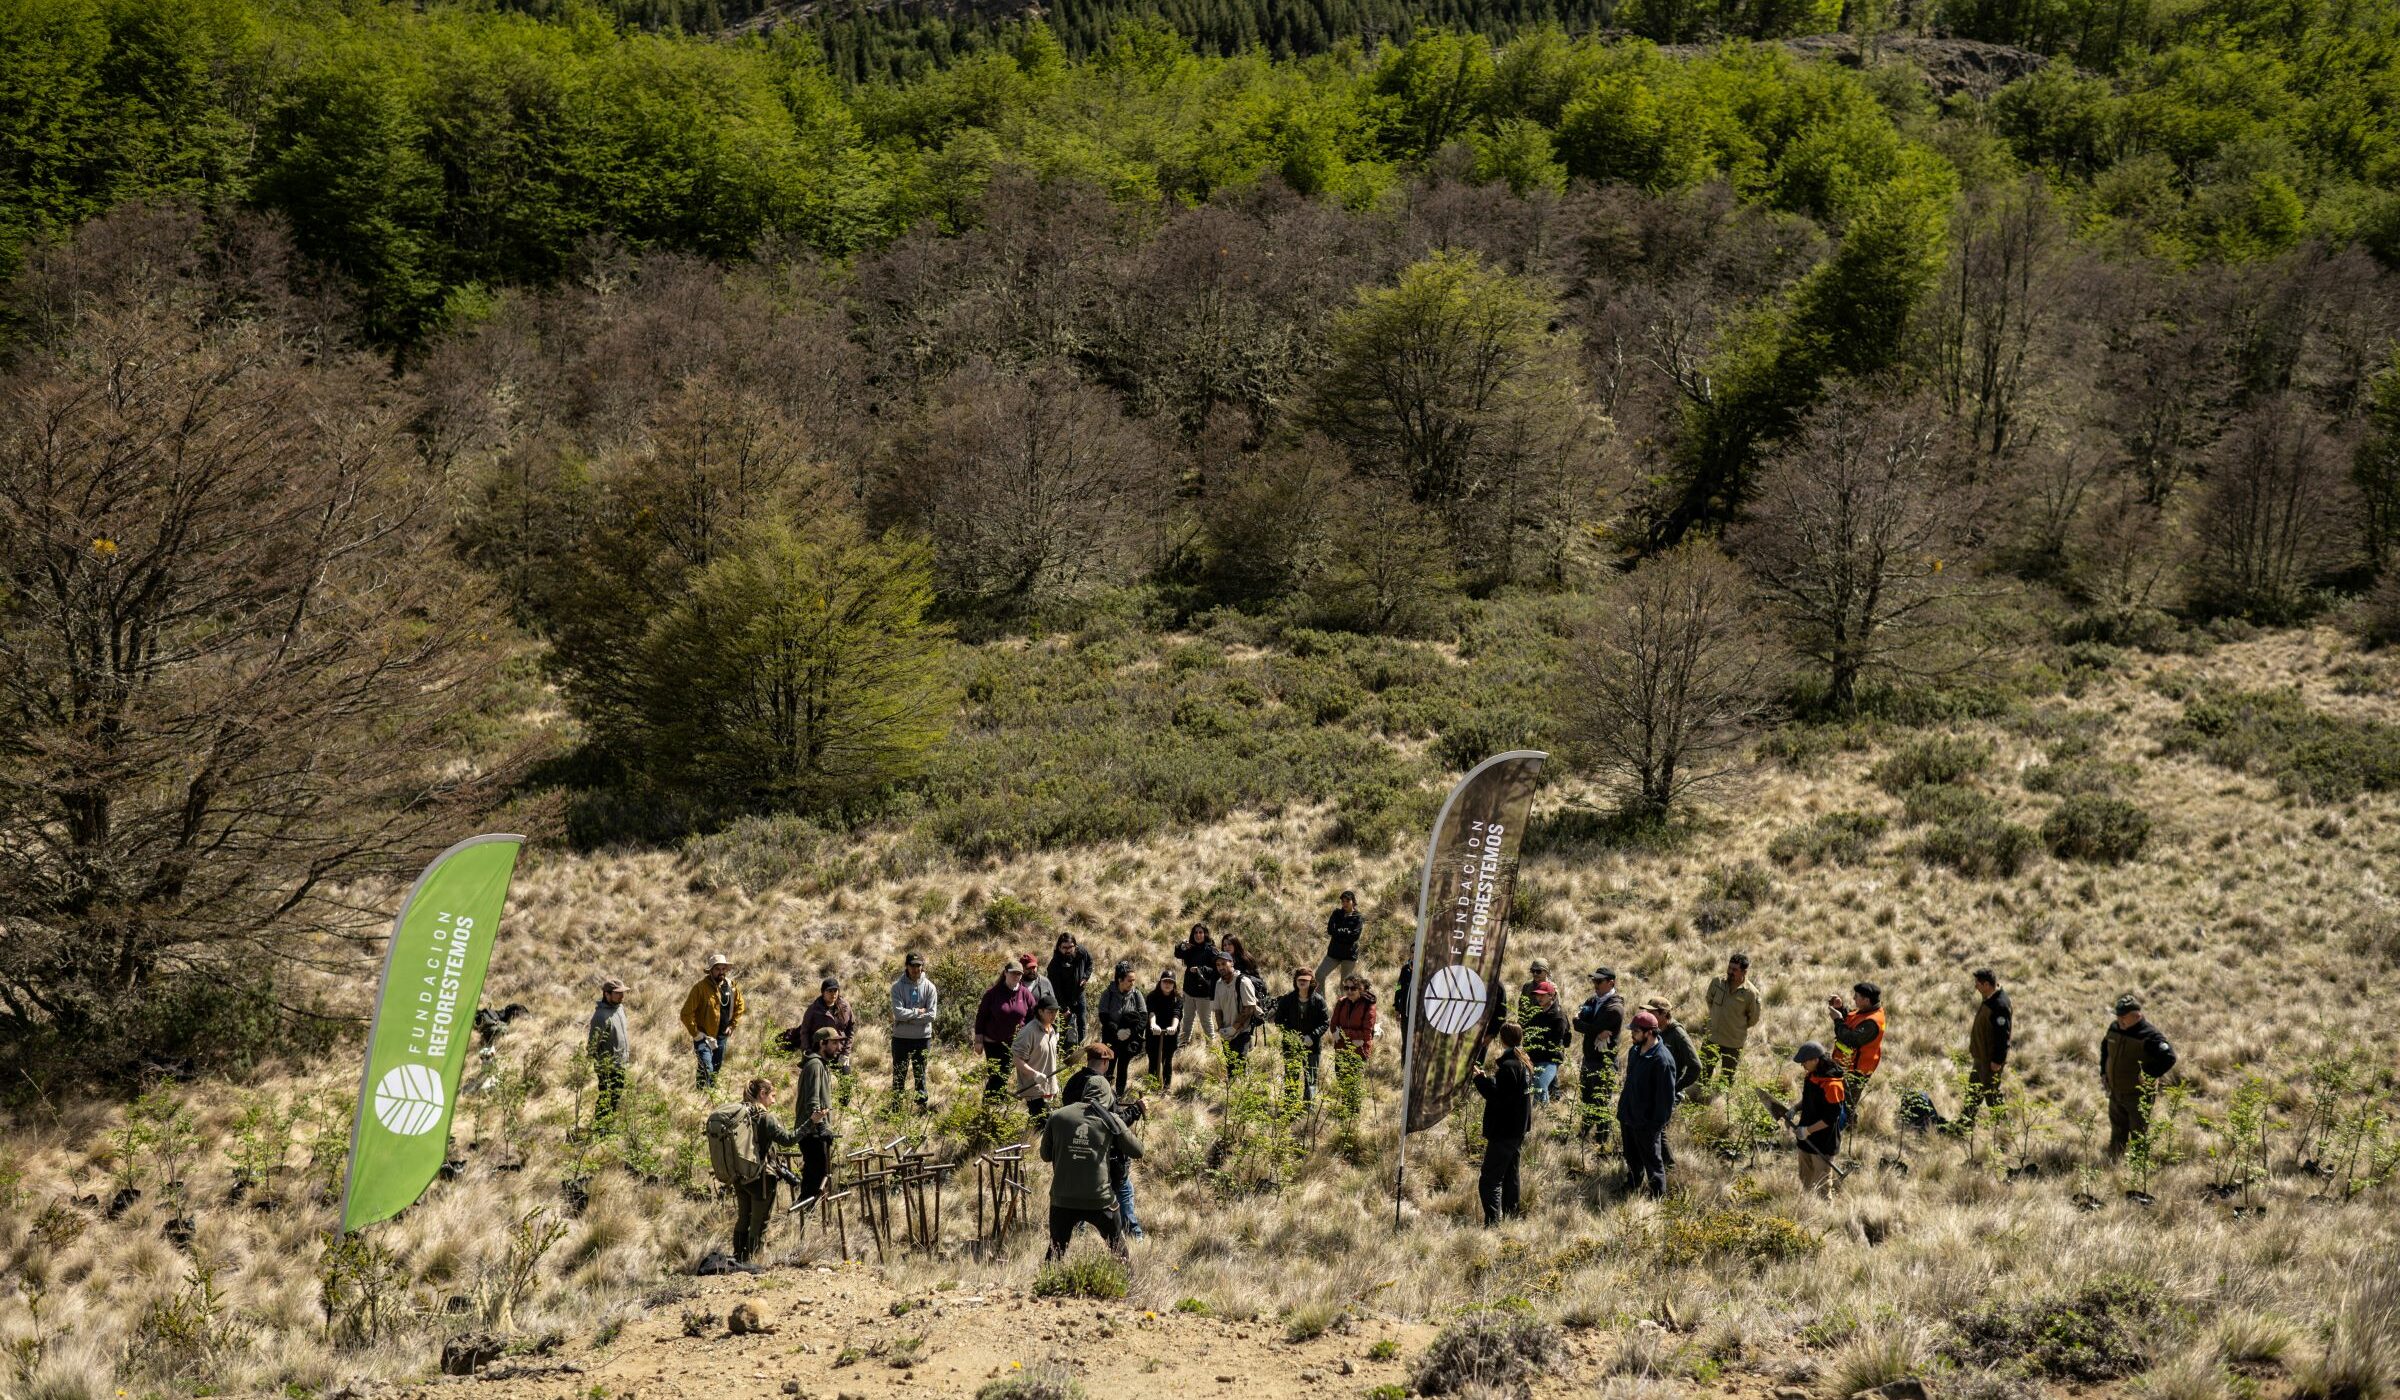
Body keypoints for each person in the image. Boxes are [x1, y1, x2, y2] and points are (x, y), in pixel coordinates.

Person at [1040, 1075, 1143, 1264]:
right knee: (1119, 1252)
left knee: (1055, 1252)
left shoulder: (1058, 1116)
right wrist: (1116, 1128)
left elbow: (1045, 1155)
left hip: (1062, 1198)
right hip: (1100, 1199)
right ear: (1107, 1097)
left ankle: (1045, 1288)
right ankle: (1125, 1284)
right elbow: (1138, 1151)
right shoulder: (1110, 1119)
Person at [1061, 1045, 1147, 1240]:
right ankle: (1134, 1234)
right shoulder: (1102, 1088)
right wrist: (1136, 1110)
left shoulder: (1073, 1082)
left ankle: (1078, 1236)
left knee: (1078, 1195)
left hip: (1074, 1151)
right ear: (1106, 1062)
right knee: (1124, 1191)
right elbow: (1112, 1125)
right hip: (1104, 1155)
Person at [728, 1077, 806, 1265]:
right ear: (762, 1094)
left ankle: (738, 1257)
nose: (774, 1100)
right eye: (772, 1096)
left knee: (743, 1218)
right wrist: (811, 1122)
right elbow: (788, 1140)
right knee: (759, 1222)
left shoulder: (739, 1116)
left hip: (741, 1175)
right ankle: (753, 1262)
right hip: (761, 1178)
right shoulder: (766, 1118)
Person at [1470, 1022, 1533, 1226]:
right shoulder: (1524, 1063)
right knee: (1510, 1173)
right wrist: (1488, 1080)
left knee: (1490, 1178)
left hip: (1504, 1131)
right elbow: (1509, 1095)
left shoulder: (1508, 1067)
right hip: (1518, 1129)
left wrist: (1480, 1080)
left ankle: (1493, 1223)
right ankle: (1511, 1216)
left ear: (1502, 1040)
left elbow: (1497, 1097)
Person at [2100, 994, 2177, 1159]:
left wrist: (2149, 1074)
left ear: (2137, 1015)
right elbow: (2105, 1049)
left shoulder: (2149, 1036)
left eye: (2124, 1016)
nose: (2120, 1020)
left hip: (2138, 1096)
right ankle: (2113, 1163)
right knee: (2117, 1131)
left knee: (2138, 1135)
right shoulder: (2114, 1028)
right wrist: (2103, 1072)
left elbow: (2169, 1057)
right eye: (2118, 1016)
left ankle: (2137, 1170)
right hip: (2115, 1092)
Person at [1618, 1011, 1676, 1197]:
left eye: (1635, 1031)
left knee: (1653, 1161)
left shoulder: (1662, 1061)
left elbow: (1665, 1100)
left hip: (1647, 1123)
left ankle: (1657, 1195)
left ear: (1649, 1032)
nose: (1632, 1034)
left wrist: (1655, 1125)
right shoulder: (1635, 1051)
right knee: (1631, 1156)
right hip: (1628, 1116)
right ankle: (1633, 1184)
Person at [1572, 969, 1624, 1146]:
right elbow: (1579, 1023)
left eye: (1599, 982)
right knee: (1586, 1099)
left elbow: (1586, 1024)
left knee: (1601, 1101)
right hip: (1589, 1058)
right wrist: (1584, 1024)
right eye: (1594, 981)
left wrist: (1584, 1023)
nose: (1595, 985)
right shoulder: (1593, 1000)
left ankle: (1602, 1142)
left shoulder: (1615, 1008)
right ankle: (1584, 1134)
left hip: (1604, 1063)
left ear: (1611, 983)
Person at [680, 954, 745, 1090]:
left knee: (715, 1068)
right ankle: (704, 1094)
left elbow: (740, 1005)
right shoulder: (700, 988)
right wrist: (696, 1033)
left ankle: (705, 1096)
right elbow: (686, 1013)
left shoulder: (731, 986)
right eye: (717, 969)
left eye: (723, 969)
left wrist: (732, 1025)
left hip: (722, 1036)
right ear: (710, 971)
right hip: (704, 1036)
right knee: (706, 1067)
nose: (721, 972)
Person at [974, 962, 1038, 1101]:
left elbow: (1033, 1017)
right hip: (993, 1042)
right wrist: (978, 1040)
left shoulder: (1025, 994)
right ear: (1005, 973)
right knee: (997, 1074)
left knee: (1004, 1074)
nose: (1016, 976)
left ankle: (993, 1106)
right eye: (1013, 973)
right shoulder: (992, 993)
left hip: (1016, 1043)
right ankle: (991, 1105)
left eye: (1019, 974)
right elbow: (981, 1017)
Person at [1790, 1042, 1847, 1196]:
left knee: (1822, 1186)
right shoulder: (1811, 1076)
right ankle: (1809, 1209)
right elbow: (1808, 1101)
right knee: (1805, 1179)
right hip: (1805, 1140)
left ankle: (1825, 1215)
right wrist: (1794, 1109)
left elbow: (1830, 1118)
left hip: (1823, 1142)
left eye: (1804, 1061)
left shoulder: (1832, 1085)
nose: (1802, 1065)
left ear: (1815, 1060)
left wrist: (1807, 1130)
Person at [1700, 953, 1762, 1090]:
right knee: (1702, 1074)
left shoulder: (1751, 993)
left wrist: (1736, 1026)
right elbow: (1709, 1000)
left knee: (1725, 1080)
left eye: (1734, 970)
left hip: (1733, 1043)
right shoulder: (1717, 982)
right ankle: (1697, 1100)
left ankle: (1719, 1106)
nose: (1730, 972)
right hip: (1712, 1038)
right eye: (1729, 967)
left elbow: (1753, 1018)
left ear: (1744, 972)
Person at [1960, 968, 2013, 1127]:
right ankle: (1964, 1126)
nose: (1975, 986)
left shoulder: (1999, 1005)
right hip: (1981, 1059)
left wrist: (1997, 1060)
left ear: (1987, 984)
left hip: (1990, 1062)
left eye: (1978, 983)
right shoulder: (1991, 997)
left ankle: (2004, 1131)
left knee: (1992, 1095)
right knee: (1973, 1092)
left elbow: (2003, 1036)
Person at [794, 1027, 840, 1204]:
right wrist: (821, 1128)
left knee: (817, 1177)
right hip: (812, 1132)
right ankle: (803, 1215)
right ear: (822, 1043)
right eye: (834, 1043)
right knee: (815, 1180)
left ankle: (807, 1216)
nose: (838, 1047)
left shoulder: (820, 1064)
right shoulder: (814, 1065)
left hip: (815, 1131)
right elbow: (812, 1101)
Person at [1272, 968, 1330, 1103]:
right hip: (1291, 1045)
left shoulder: (1319, 1000)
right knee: (1291, 1076)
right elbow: (1279, 1021)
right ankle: (1290, 1106)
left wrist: (1312, 1036)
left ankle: (1308, 1108)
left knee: (1311, 1078)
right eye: (1300, 979)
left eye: (1306, 980)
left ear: (1312, 982)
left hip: (1312, 1046)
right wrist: (1293, 1036)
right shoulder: (1287, 999)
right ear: (1295, 981)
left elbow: (1325, 1022)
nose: (1302, 982)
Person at [889, 953, 939, 1111]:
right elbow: (898, 1013)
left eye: (919, 965)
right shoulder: (897, 987)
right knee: (899, 1073)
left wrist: (908, 1016)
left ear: (922, 966)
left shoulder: (930, 987)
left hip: (922, 1038)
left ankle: (921, 1107)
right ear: (907, 966)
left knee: (920, 1073)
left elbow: (931, 1015)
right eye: (913, 965)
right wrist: (918, 1013)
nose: (916, 969)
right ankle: (896, 1108)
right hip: (900, 1038)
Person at [795, 977, 856, 1096]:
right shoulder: (814, 1009)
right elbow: (805, 1031)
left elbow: (850, 1029)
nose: (833, 994)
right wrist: (807, 1051)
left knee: (847, 1085)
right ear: (823, 992)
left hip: (839, 1051)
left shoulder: (845, 1007)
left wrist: (846, 1053)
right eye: (829, 991)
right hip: (820, 1051)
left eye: (835, 990)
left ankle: (842, 1112)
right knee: (816, 1085)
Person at [1829, 982, 1887, 1104]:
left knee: (1847, 1104)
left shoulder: (1872, 1023)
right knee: (1837, 1099)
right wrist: (1841, 1008)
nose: (1853, 998)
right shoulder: (1866, 1011)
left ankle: (1848, 1123)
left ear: (1866, 1000)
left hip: (1856, 1072)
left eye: (1856, 996)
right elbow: (1853, 1020)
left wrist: (1838, 1020)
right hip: (1847, 1065)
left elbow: (1850, 1040)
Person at [1096, 961, 1146, 1096]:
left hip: (1129, 1040)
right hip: (1111, 1038)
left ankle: (1119, 1095)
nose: (1132, 983)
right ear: (1120, 980)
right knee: (1107, 1067)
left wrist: (1130, 1032)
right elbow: (1103, 1016)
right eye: (1130, 980)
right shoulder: (1108, 994)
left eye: (1134, 980)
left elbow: (1143, 1018)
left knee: (1123, 1067)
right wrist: (1117, 1031)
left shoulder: (1137, 994)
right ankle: (1105, 1095)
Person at [587, 977, 630, 1128]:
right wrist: (597, 1061)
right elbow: (592, 1044)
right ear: (607, 994)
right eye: (618, 993)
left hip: (620, 1063)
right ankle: (600, 1129)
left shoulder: (620, 1008)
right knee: (606, 1097)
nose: (622, 996)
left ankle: (608, 1127)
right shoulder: (599, 1016)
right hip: (607, 1066)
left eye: (623, 993)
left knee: (615, 1096)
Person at [1643, 996, 1703, 1101]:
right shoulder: (1651, 1029)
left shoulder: (1678, 1034)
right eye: (1647, 1012)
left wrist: (1675, 1088)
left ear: (1664, 1013)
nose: (1647, 1016)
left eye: (1652, 1013)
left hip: (1666, 1094)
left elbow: (1696, 1066)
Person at [1211, 950, 1262, 1074]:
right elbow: (1218, 1009)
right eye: (1218, 965)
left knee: (1239, 1067)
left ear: (1232, 963)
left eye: (1223, 964)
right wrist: (1221, 1029)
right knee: (1230, 1067)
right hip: (1226, 1033)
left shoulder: (1243, 982)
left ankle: (1242, 1092)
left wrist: (1234, 1028)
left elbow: (1249, 1008)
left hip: (1242, 1032)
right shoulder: (1218, 984)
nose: (1220, 967)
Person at [1013, 1000, 1062, 1129]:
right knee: (1044, 1126)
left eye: (1056, 1012)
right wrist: (1034, 1074)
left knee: (1041, 1126)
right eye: (1050, 1012)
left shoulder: (1052, 1029)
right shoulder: (1028, 1032)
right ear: (1040, 1011)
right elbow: (1017, 1060)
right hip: (1034, 1088)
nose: (1054, 1015)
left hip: (1049, 1087)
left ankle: (1031, 1144)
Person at [1521, 981, 1569, 1104]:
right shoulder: (1535, 1011)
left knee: (1539, 1086)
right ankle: (1541, 1117)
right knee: (1541, 1089)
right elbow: (1527, 1032)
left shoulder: (1558, 1016)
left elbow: (1555, 1041)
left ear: (1552, 996)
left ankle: (1538, 1115)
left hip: (1550, 1059)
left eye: (1543, 995)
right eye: (1537, 995)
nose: (1539, 997)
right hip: (1534, 1057)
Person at [1174, 924, 1219, 1043]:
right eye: (1195, 933)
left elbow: (1217, 970)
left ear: (1205, 934)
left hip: (1204, 993)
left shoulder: (1211, 950)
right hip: (1188, 990)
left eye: (1200, 932)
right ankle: (1183, 1043)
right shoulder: (1190, 948)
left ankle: (1212, 1048)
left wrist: (1201, 969)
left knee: (1206, 1021)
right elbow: (1178, 954)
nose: (1198, 935)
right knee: (1187, 1019)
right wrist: (1182, 945)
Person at [1047, 933, 1094, 1046]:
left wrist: (1085, 977)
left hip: (1079, 994)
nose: (1068, 950)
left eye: (1071, 947)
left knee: (1082, 1022)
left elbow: (1090, 963)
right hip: (1064, 998)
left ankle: (1079, 1049)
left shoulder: (1081, 952)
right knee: (1063, 1027)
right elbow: (1055, 990)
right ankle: (1062, 1053)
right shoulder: (1054, 965)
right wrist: (1063, 1008)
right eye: (1065, 947)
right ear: (1059, 947)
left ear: (1075, 946)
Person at [1315, 890, 1364, 992]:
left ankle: (1343, 1006)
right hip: (1334, 953)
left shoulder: (1358, 918)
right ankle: (1321, 1004)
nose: (1345, 903)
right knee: (1319, 974)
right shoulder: (1336, 913)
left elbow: (1354, 936)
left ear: (1353, 902)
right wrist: (1346, 933)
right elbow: (1330, 930)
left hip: (1349, 956)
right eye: (1343, 901)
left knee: (1345, 985)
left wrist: (1338, 933)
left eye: (1347, 901)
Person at [1145, 970, 1185, 1094]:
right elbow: (1151, 1012)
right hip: (1154, 1032)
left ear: (1174, 984)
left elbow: (1177, 1014)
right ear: (1160, 982)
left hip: (1170, 1034)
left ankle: (1166, 1088)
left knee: (1167, 1060)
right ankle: (1152, 1087)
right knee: (1153, 1059)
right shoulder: (1152, 996)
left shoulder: (1177, 999)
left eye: (1170, 982)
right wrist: (1153, 1024)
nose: (1167, 984)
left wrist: (1173, 1027)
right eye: (1165, 981)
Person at [1330, 975, 1378, 1059]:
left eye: (1353, 988)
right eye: (1346, 988)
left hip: (1359, 1052)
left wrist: (1342, 1033)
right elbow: (1333, 1026)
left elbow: (1366, 1033)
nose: (1349, 991)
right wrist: (1338, 1033)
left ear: (1360, 990)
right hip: (1341, 1049)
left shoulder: (1368, 1005)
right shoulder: (1341, 1002)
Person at [1394, 954, 1416, 1058]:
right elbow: (1398, 987)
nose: (1413, 954)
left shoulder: (1425, 969)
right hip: (1405, 1013)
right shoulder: (1405, 969)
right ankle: (1403, 1068)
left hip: (1418, 1016)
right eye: (1411, 951)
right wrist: (1397, 1008)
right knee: (1406, 1042)